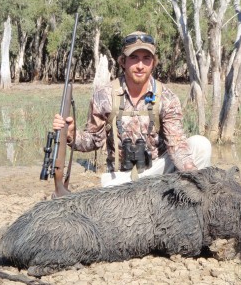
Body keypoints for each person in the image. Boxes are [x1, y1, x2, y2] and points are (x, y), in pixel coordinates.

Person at [53, 31, 212, 187]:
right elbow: (93, 141)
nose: (140, 66)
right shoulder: (104, 96)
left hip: (158, 173)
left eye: (146, 59)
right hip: (121, 177)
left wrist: (193, 173)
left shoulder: (167, 98)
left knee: (201, 144)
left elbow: (176, 144)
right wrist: (71, 135)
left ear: (153, 63)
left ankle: (193, 194)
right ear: (123, 61)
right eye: (134, 58)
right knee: (109, 190)